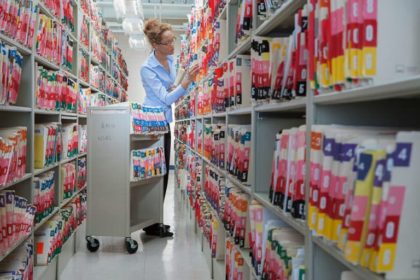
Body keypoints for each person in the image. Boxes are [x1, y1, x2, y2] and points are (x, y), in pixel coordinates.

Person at [140, 19, 200, 237]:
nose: (172, 45)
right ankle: (151, 223)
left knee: (163, 172)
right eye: (168, 42)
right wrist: (186, 82)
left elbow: (170, 88)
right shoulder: (147, 68)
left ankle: (154, 221)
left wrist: (180, 83)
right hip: (152, 122)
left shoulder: (170, 59)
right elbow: (166, 98)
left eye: (172, 40)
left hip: (164, 121)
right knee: (156, 172)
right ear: (156, 45)